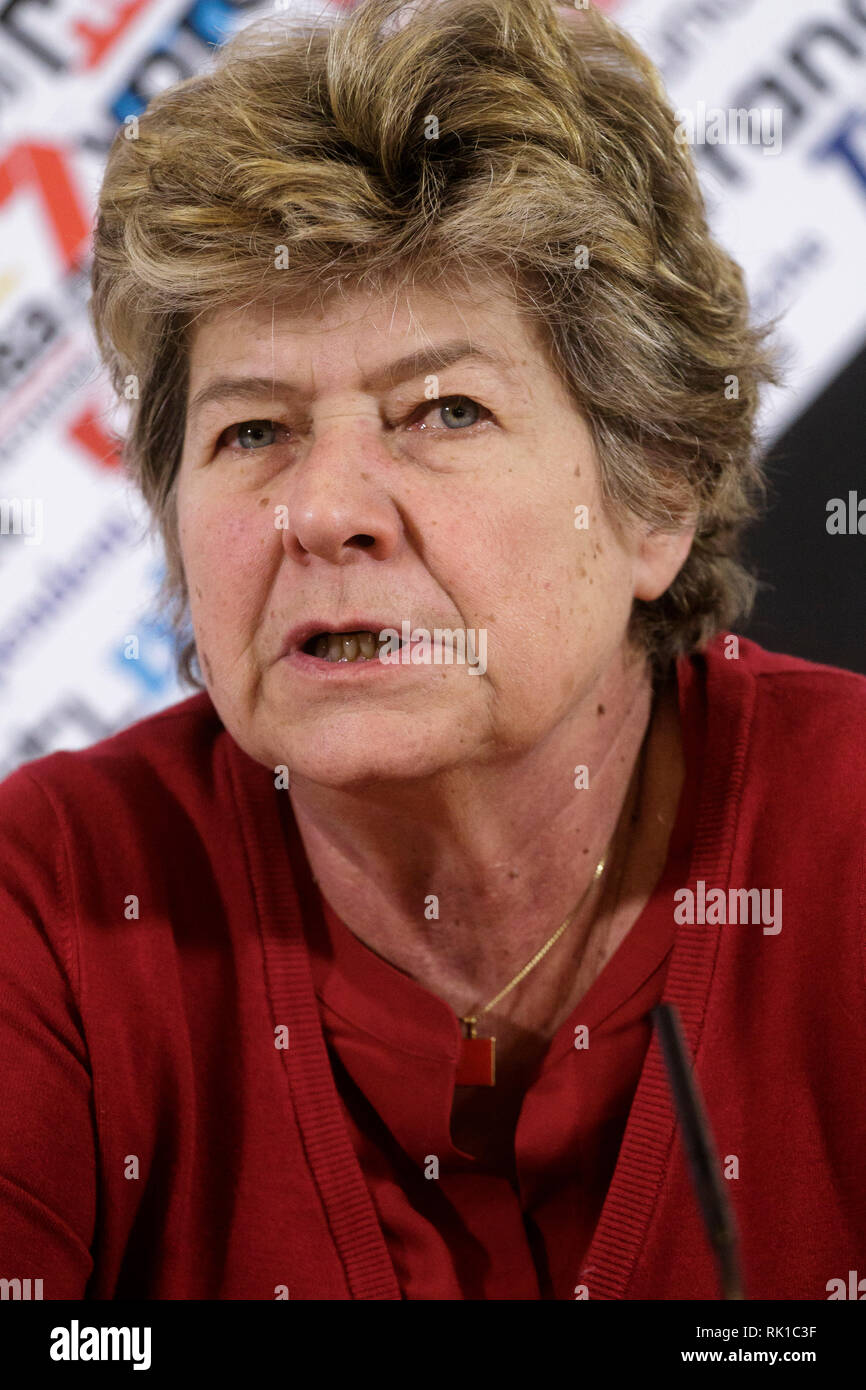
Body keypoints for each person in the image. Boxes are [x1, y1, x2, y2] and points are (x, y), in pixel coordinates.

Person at [1, 0, 864, 1301]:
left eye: (442, 410)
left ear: (656, 498)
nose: (325, 509)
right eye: (252, 432)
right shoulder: (56, 899)